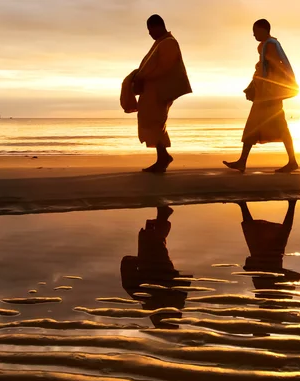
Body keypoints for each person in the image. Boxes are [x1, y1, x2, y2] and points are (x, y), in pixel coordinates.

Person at [224, 19, 299, 174]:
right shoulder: (267, 45)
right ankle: (243, 161)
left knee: (269, 127)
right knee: (263, 126)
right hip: (267, 95)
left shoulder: (270, 45)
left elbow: (274, 69)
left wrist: (267, 89)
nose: (253, 34)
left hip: (269, 96)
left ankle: (291, 161)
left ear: (264, 30)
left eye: (255, 31)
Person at [121, 15, 192, 173]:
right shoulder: (161, 43)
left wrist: (142, 76)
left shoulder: (168, 43)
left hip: (159, 90)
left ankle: (163, 158)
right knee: (151, 122)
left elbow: (164, 68)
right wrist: (138, 76)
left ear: (157, 26)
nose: (149, 33)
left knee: (155, 122)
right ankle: (163, 156)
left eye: (150, 29)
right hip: (152, 90)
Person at [237, 200, 300, 336]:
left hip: (267, 262)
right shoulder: (273, 313)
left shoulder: (272, 313)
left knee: (261, 233)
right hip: (268, 262)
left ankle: (292, 204)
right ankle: (291, 204)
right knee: (255, 232)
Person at [120, 206, 191, 328]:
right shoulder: (158, 312)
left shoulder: (162, 312)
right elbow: (131, 286)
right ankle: (163, 215)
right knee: (154, 242)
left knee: (154, 242)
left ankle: (163, 215)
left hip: (157, 273)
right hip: (154, 272)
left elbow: (180, 294)